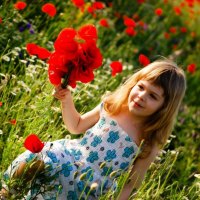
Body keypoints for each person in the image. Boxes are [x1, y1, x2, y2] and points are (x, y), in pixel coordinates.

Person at [0, 59, 186, 200]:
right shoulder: (111, 106)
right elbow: (76, 126)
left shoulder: (148, 140)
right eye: (141, 87)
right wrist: (67, 101)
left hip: (91, 185)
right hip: (72, 156)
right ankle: (7, 192)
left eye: (152, 96)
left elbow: (131, 184)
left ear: (164, 107)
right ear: (134, 83)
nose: (141, 96)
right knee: (38, 156)